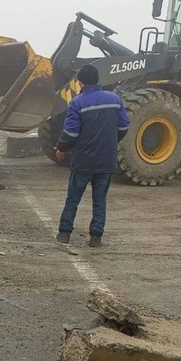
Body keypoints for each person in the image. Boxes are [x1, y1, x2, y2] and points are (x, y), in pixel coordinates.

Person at [54, 64, 129, 247]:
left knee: (73, 198)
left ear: (80, 83)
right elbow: (124, 126)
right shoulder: (115, 100)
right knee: (100, 199)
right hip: (106, 160)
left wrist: (61, 148)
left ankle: (64, 233)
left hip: (83, 160)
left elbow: (71, 133)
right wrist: (110, 143)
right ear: (98, 79)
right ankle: (96, 237)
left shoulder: (77, 102)